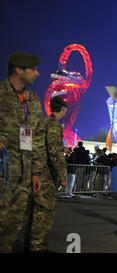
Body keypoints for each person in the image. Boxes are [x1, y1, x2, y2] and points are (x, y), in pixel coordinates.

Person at [0, 52, 45, 252]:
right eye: (33, 69)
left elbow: (37, 138)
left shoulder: (33, 101)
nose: (37, 73)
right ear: (19, 70)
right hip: (3, 173)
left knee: (13, 225)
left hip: (24, 176)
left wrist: (36, 171)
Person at [23, 96, 68, 252]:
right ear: (63, 109)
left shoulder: (40, 123)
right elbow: (54, 152)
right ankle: (38, 246)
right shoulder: (54, 126)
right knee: (44, 211)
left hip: (33, 172)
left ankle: (29, 244)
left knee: (32, 210)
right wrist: (63, 175)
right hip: (45, 175)